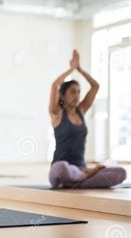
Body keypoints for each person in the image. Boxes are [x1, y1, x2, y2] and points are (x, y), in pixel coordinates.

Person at [48, 49, 126, 188]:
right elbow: (55, 85)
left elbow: (95, 86)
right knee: (62, 168)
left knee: (120, 172)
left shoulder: (81, 111)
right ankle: (82, 178)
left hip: (81, 167)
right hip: (60, 169)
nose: (77, 95)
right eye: (73, 91)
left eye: (79, 92)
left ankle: (77, 181)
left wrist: (80, 69)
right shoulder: (56, 114)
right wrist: (71, 69)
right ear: (62, 95)